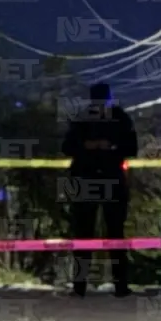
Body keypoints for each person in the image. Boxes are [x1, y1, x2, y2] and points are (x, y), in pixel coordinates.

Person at [62, 83, 138, 297]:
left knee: (113, 233)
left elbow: (131, 147)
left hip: (106, 180)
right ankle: (82, 286)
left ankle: (117, 285)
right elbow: (67, 147)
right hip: (90, 180)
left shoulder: (117, 119)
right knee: (86, 232)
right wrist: (89, 146)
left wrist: (110, 146)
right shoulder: (83, 120)